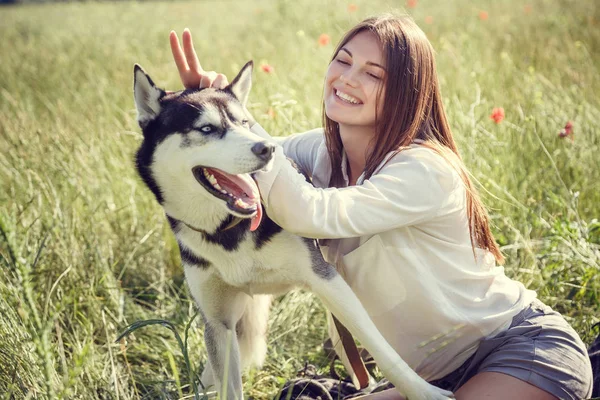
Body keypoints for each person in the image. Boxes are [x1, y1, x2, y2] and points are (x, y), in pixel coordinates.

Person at [168, 14, 593, 400]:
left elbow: (308, 210)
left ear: (406, 93)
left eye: (373, 74)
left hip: (520, 350)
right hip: (429, 376)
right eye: (343, 60)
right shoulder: (320, 149)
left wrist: (231, 114)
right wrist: (208, 110)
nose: (348, 79)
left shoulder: (425, 169)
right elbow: (245, 159)